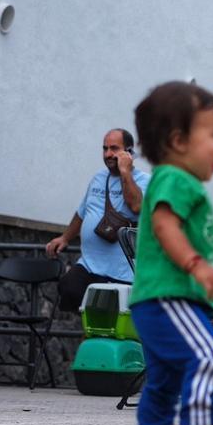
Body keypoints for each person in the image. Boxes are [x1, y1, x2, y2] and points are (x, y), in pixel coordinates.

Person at [124, 81, 213, 425]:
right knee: (206, 356)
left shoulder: (174, 180)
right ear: (178, 141)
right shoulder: (177, 179)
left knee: (164, 377)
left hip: (157, 299)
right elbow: (163, 225)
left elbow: (180, 235)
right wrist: (196, 266)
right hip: (167, 297)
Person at [46, 128, 150, 310]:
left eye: (114, 148)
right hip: (89, 266)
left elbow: (136, 206)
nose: (108, 154)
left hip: (122, 273)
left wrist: (125, 172)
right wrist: (65, 238)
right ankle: (89, 334)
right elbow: (82, 212)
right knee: (69, 289)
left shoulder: (144, 181)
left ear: (129, 152)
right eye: (105, 148)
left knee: (111, 320)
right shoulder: (98, 178)